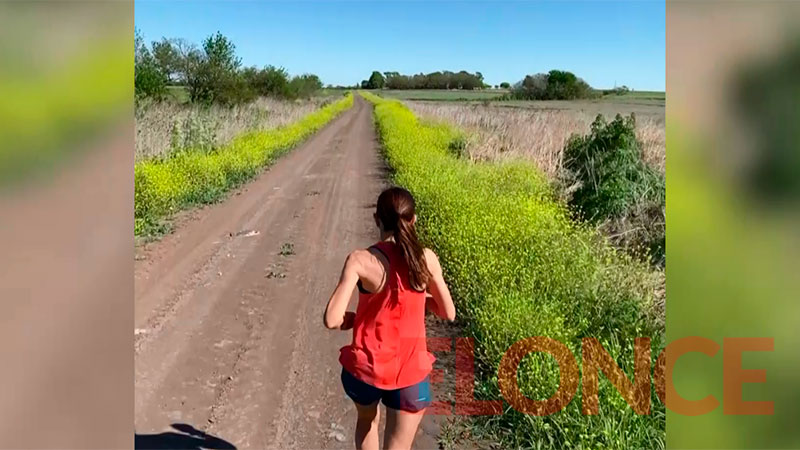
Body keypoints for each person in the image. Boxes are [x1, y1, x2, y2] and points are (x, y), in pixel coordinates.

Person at [324, 187, 456, 450]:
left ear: (377, 219)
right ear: (413, 220)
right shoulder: (425, 258)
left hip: (366, 371)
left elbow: (331, 319)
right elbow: (448, 312)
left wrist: (350, 320)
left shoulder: (360, 260)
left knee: (367, 421)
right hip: (409, 373)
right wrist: (420, 302)